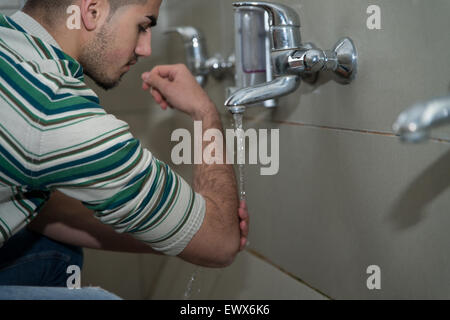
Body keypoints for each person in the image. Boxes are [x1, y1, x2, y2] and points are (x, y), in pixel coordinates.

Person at [0, 0, 249, 299]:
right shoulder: (52, 107)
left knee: (51, 251)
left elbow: (39, 208)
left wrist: (171, 232)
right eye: (142, 26)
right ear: (92, 10)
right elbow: (220, 242)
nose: (145, 49)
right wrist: (204, 111)